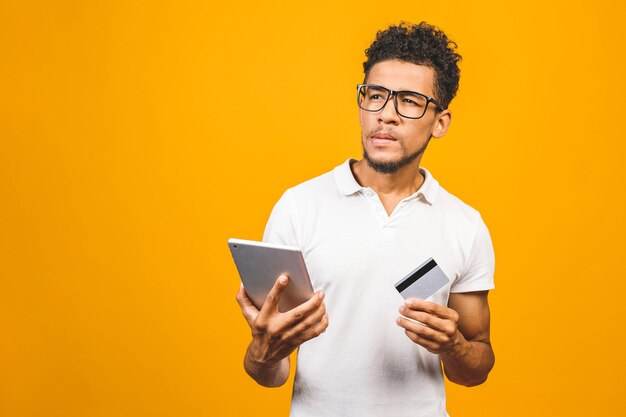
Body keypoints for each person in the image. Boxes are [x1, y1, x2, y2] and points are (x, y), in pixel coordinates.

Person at [235, 21, 496, 417]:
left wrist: (453, 346)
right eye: (375, 95)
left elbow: (476, 367)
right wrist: (263, 350)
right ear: (361, 104)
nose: (386, 115)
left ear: (440, 122)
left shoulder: (465, 225)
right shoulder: (299, 207)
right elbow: (268, 372)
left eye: (409, 101)